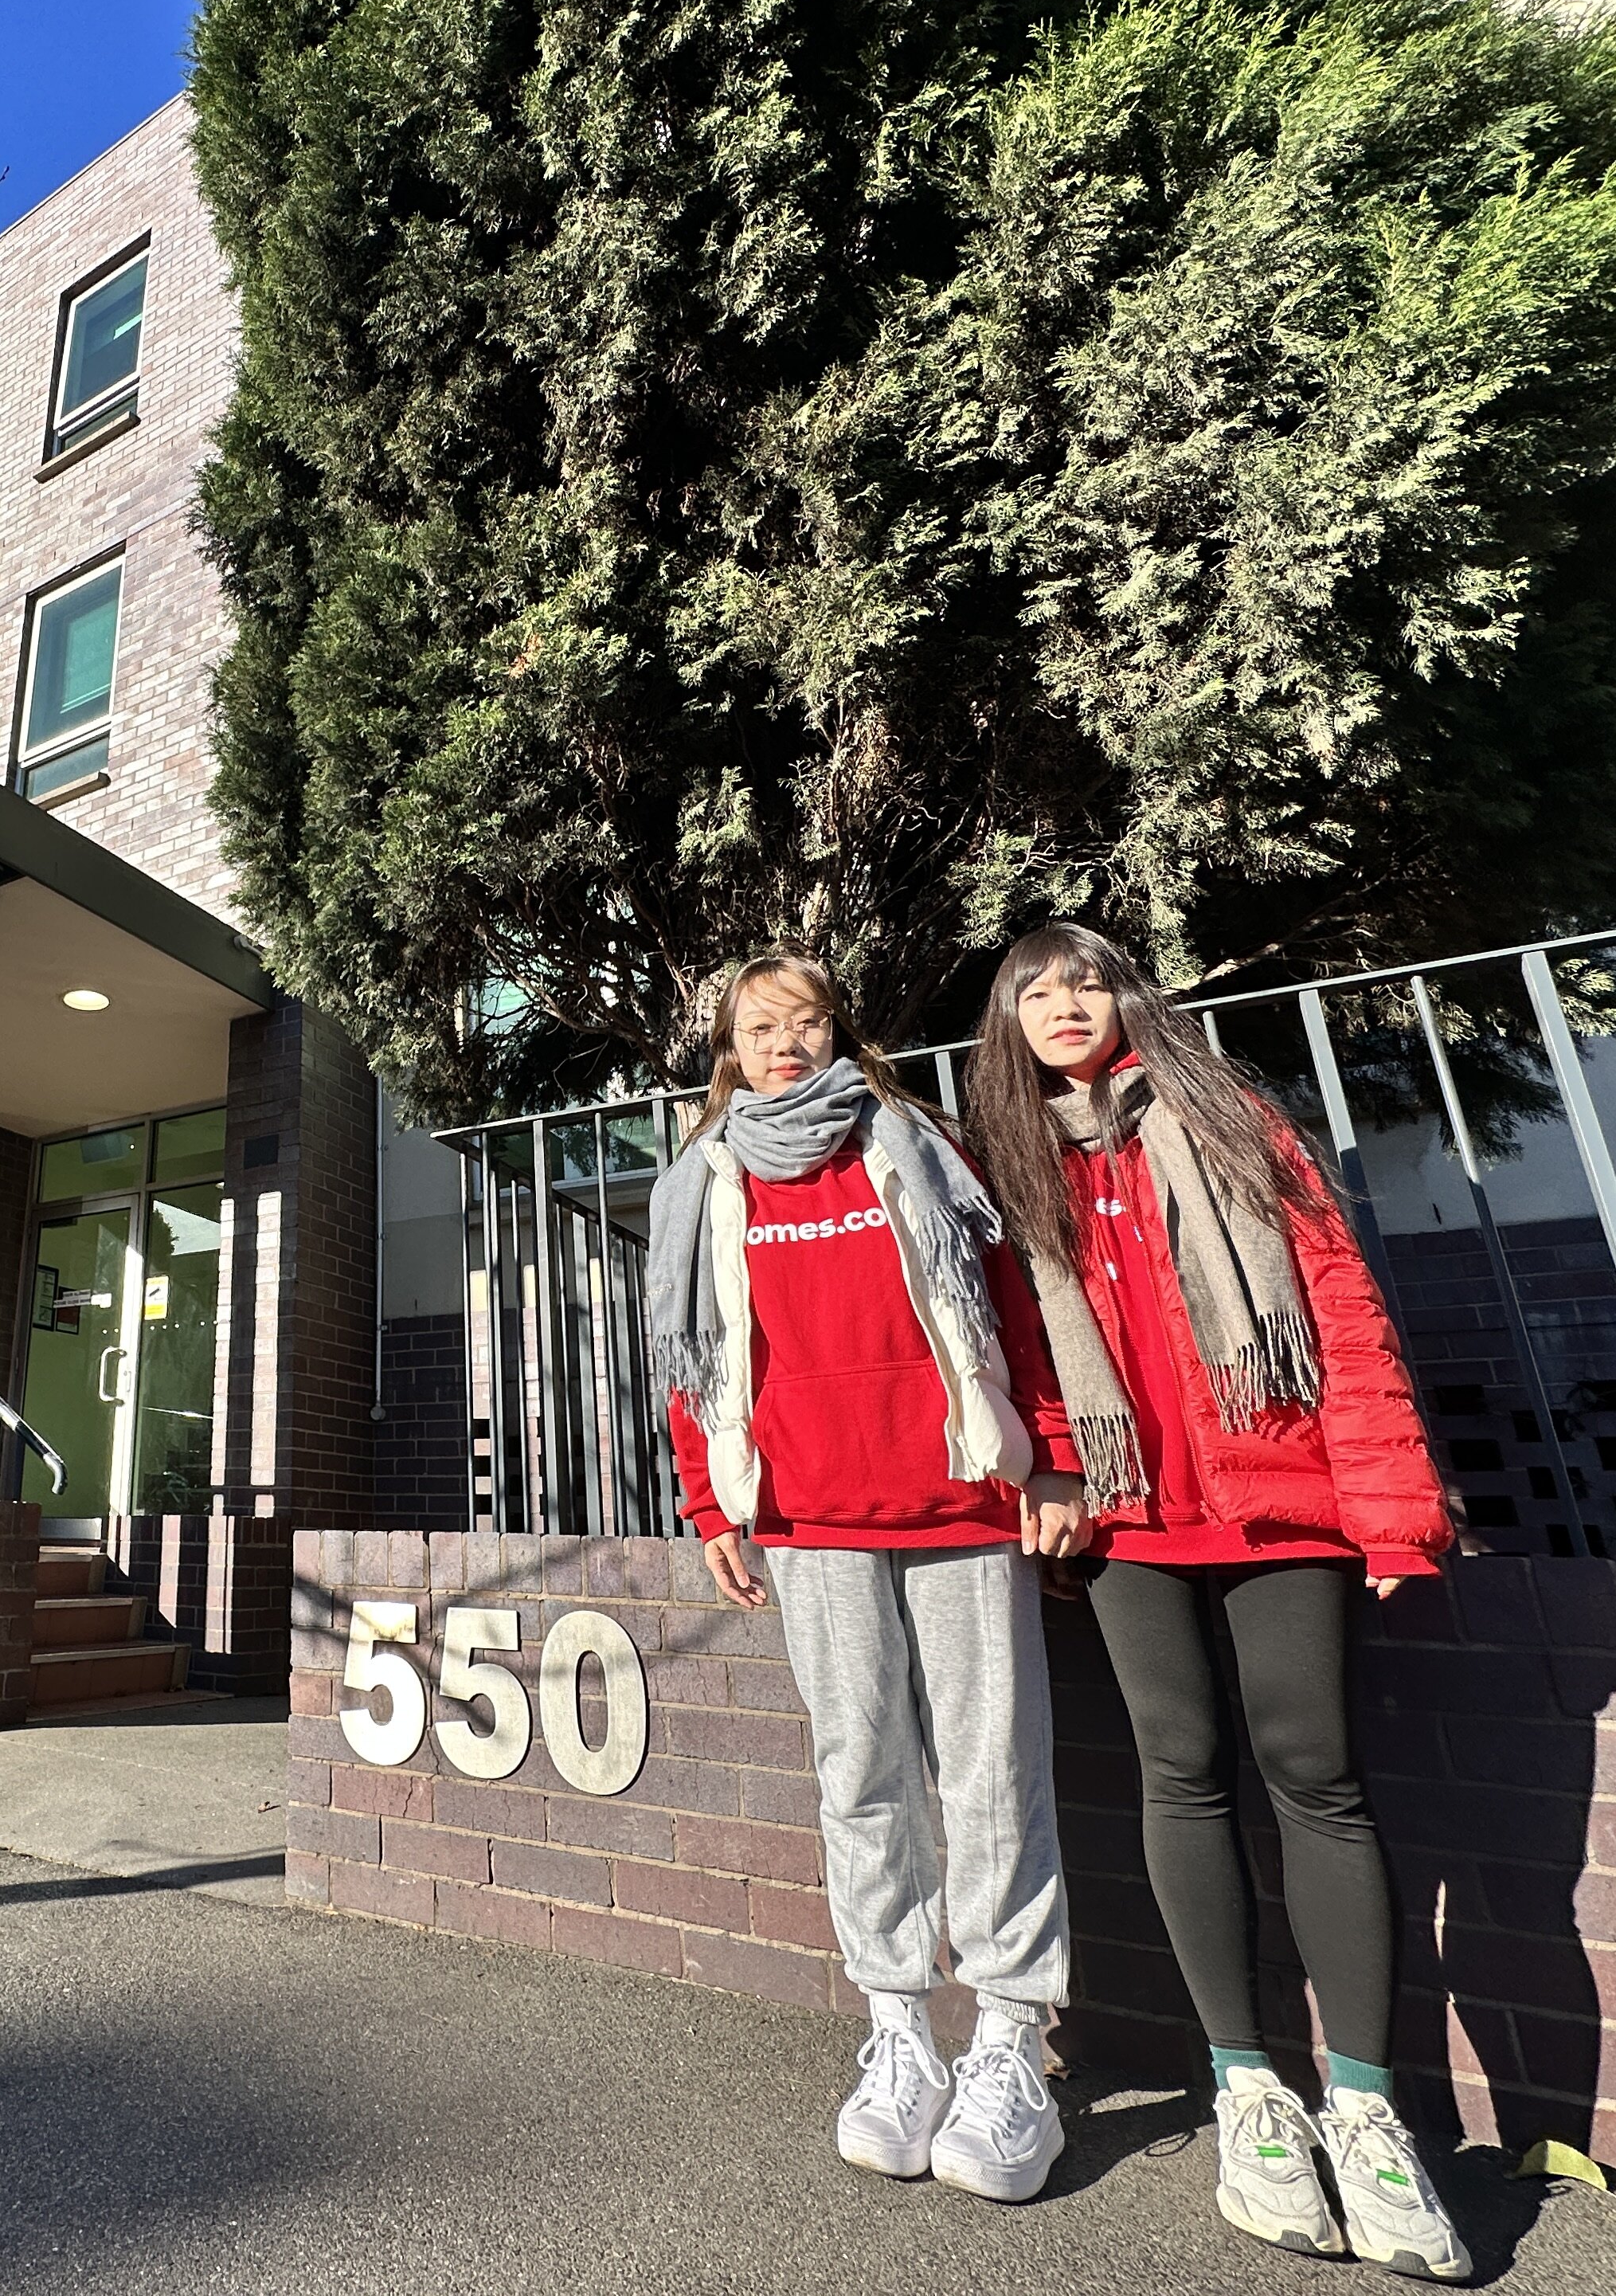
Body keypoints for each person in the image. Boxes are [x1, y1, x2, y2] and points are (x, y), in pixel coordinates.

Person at [961, 921, 1473, 2282]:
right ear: (1009, 1025)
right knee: (1178, 1768)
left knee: (1317, 1772)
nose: (1065, 1005)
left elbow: (1338, 1306)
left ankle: (1366, 2109)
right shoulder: (1014, 1159)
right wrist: (1055, 1463)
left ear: (1129, 996)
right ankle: (1248, 2089)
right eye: (1035, 992)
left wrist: (1390, 1505)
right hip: (1132, 1516)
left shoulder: (1233, 1118)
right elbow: (1023, 1344)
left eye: (1085, 980)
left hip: (1280, 1493)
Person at [648, 950, 1094, 2204]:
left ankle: (1010, 2039)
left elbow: (1010, 1307)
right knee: (861, 1770)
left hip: (959, 1495)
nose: (785, 1043)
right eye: (759, 1027)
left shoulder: (916, 1143)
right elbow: (698, 1355)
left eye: (806, 1020)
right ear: (731, 1050)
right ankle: (900, 2030)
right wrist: (709, 1500)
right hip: (809, 1517)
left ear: (840, 1032)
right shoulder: (706, 1176)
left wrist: (1053, 1455)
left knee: (995, 1769)